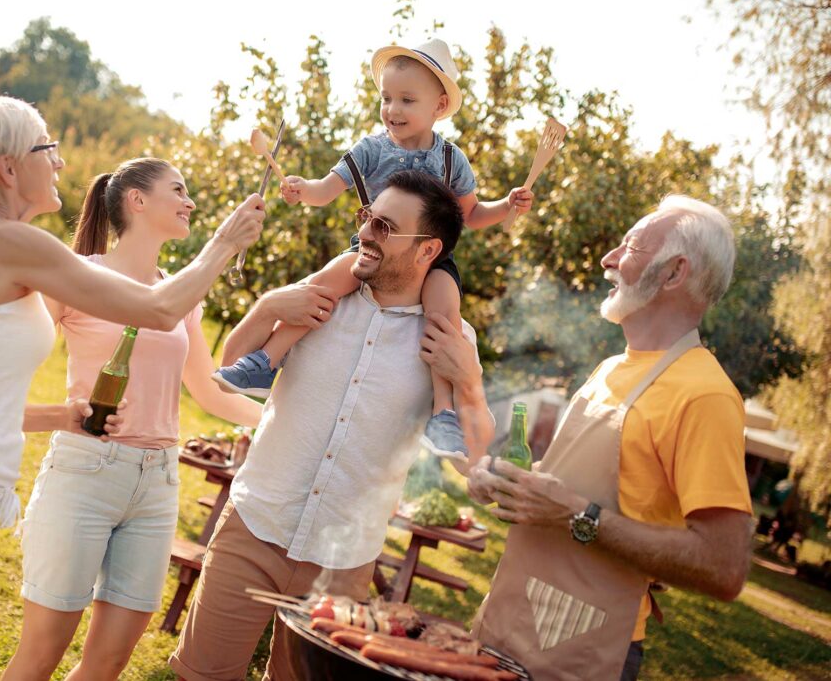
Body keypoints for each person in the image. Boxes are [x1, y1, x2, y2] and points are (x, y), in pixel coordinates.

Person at [0, 95, 263, 681]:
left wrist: (60, 409)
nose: (62, 163)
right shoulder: (15, 242)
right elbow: (157, 308)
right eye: (48, 148)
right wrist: (225, 243)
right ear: (8, 167)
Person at [170, 170, 486, 681]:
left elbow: (476, 453)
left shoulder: (450, 337)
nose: (366, 233)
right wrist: (267, 305)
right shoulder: (316, 299)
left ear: (428, 251)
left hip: (345, 560)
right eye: (367, 218)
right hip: (255, 526)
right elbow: (231, 367)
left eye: (386, 227)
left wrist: (469, 381)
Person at [432, 196, 754, 681]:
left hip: (584, 647)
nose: (608, 259)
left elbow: (724, 566)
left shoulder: (705, 395)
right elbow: (580, 489)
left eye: (630, 246)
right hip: (508, 618)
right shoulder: (610, 369)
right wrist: (511, 482)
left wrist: (579, 517)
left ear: (674, 273)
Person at [213, 37, 531, 464]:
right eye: (386, 98)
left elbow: (471, 214)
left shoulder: (453, 160)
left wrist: (507, 206)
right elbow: (327, 190)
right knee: (320, 289)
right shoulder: (370, 150)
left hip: (430, 259)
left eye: (406, 100)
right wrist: (301, 189)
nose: (392, 110)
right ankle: (265, 362)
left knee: (445, 319)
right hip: (369, 246)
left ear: (438, 106)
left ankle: (443, 413)